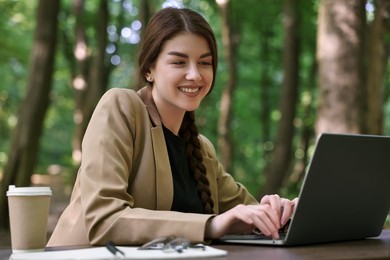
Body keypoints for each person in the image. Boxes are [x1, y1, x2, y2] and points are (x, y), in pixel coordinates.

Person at [47, 7, 297, 247]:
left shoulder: (201, 149)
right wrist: (210, 225)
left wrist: (281, 213)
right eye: (179, 62)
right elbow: (104, 220)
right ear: (149, 70)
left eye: (204, 63)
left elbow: (247, 216)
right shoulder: (121, 108)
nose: (195, 75)